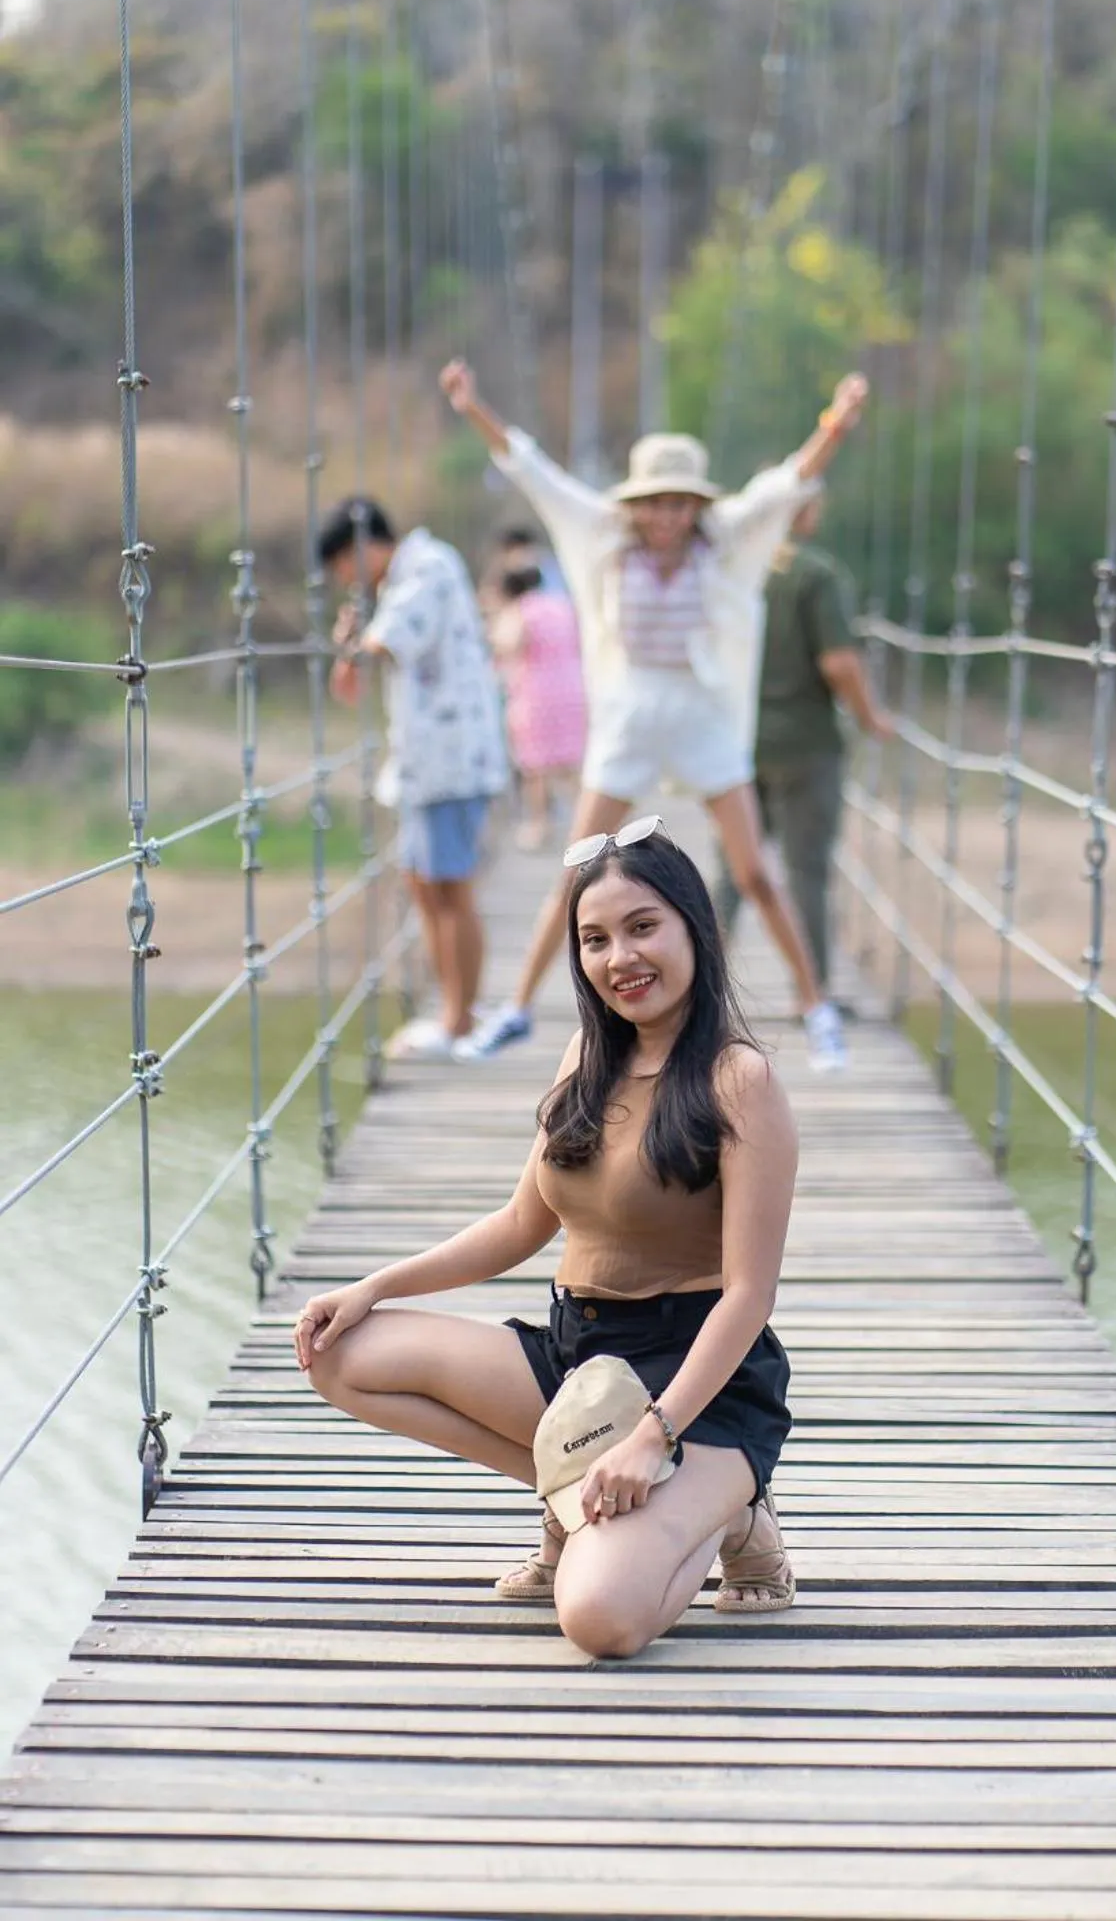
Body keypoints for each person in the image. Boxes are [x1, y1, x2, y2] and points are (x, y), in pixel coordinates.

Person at [294, 821, 800, 1657]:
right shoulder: (584, 1058)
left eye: (643, 928)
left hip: (697, 1389)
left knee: (599, 1618)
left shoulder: (739, 1081)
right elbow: (519, 1225)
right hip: (579, 1363)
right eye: (594, 940)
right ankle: (582, 1501)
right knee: (341, 1355)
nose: (619, 959)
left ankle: (728, 1513)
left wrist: (652, 1438)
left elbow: (749, 1295)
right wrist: (372, 1287)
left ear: (692, 929)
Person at [438, 356, 871, 1073]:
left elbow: (786, 484)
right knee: (575, 871)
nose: (665, 516)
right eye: (653, 503)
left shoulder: (724, 541)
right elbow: (532, 471)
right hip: (630, 714)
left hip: (701, 713)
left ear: (694, 506)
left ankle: (816, 1007)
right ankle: (514, 1009)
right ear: (635, 504)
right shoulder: (603, 536)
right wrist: (471, 406)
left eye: (678, 503)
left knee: (754, 872)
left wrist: (837, 420)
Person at [322, 498, 509, 1061]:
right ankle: (454, 1013)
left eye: (342, 566)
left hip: (450, 762)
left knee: (450, 888)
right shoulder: (398, 584)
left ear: (361, 549)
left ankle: (458, 1021)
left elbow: (382, 646)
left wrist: (355, 643)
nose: (345, 580)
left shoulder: (428, 566)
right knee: (427, 887)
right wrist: (353, 645)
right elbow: (354, 676)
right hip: (426, 764)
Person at [715, 486, 895, 999]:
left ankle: (698, 991)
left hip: (734, 745)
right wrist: (871, 717)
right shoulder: (815, 575)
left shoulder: (730, 568)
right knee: (806, 871)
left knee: (732, 872)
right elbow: (839, 662)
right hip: (805, 744)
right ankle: (811, 992)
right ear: (804, 512)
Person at [488, 558, 588, 852]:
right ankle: (591, 823)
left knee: (536, 768)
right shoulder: (561, 605)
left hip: (536, 694)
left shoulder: (521, 610)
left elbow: (510, 644)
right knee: (570, 766)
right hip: (571, 688)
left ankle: (539, 825)